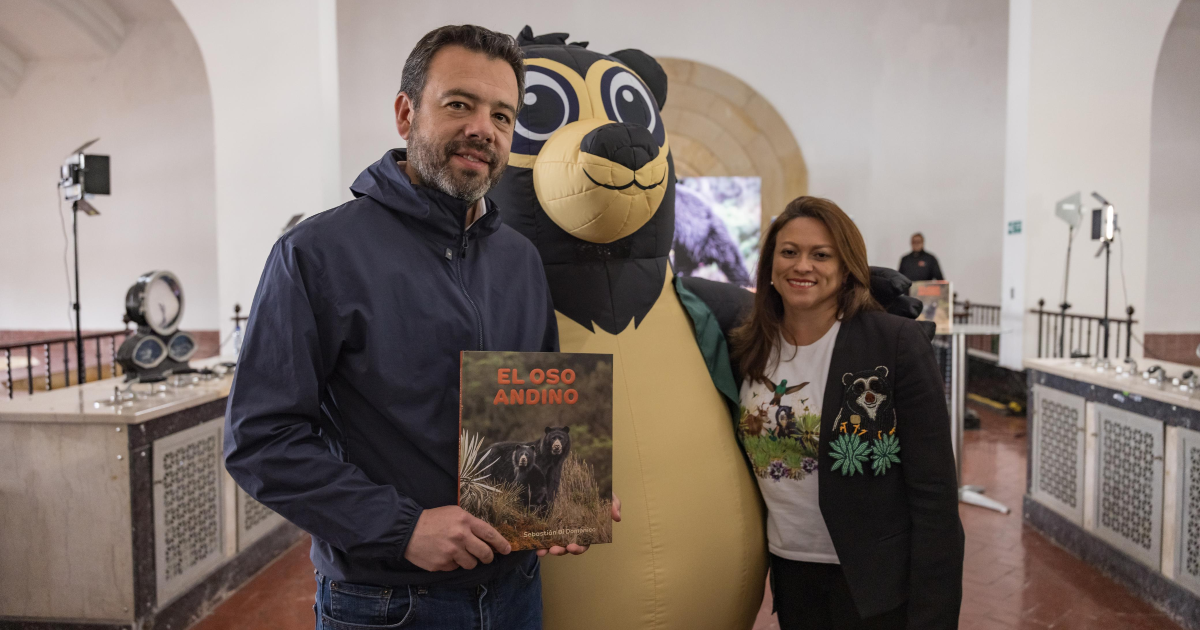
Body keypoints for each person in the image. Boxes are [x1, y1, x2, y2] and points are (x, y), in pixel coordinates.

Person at [224, 25, 616, 630]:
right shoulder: (317, 253)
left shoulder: (518, 259)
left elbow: (541, 407)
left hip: (516, 591)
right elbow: (260, 437)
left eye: (503, 115)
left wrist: (568, 496)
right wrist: (402, 528)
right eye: (459, 103)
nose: (483, 128)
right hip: (388, 603)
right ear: (407, 112)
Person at [730, 197, 963, 629]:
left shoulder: (892, 343)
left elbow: (934, 495)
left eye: (821, 255)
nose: (803, 266)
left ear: (846, 266)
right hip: (790, 570)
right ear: (770, 264)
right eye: (789, 252)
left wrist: (935, 615)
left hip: (873, 579)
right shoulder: (748, 344)